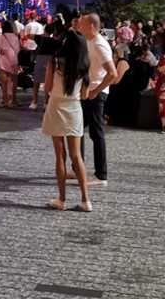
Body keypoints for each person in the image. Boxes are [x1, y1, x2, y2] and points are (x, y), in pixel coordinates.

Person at [42, 30, 92, 212]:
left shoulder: (55, 61)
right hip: (74, 109)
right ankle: (86, 200)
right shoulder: (84, 64)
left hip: (56, 106)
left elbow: (47, 87)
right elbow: (86, 95)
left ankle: (61, 199)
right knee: (76, 156)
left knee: (60, 156)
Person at [79, 13, 116, 186]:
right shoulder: (89, 41)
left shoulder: (100, 44)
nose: (80, 26)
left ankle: (101, 175)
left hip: (96, 93)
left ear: (92, 26)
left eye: (83, 24)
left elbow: (112, 73)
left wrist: (96, 91)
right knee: (76, 129)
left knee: (96, 133)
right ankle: (78, 167)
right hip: (88, 91)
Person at [0, 20, 21, 108]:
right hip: (13, 58)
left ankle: (5, 100)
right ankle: (14, 99)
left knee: (4, 81)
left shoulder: (1, 37)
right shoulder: (15, 37)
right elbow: (18, 48)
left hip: (3, 58)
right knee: (14, 81)